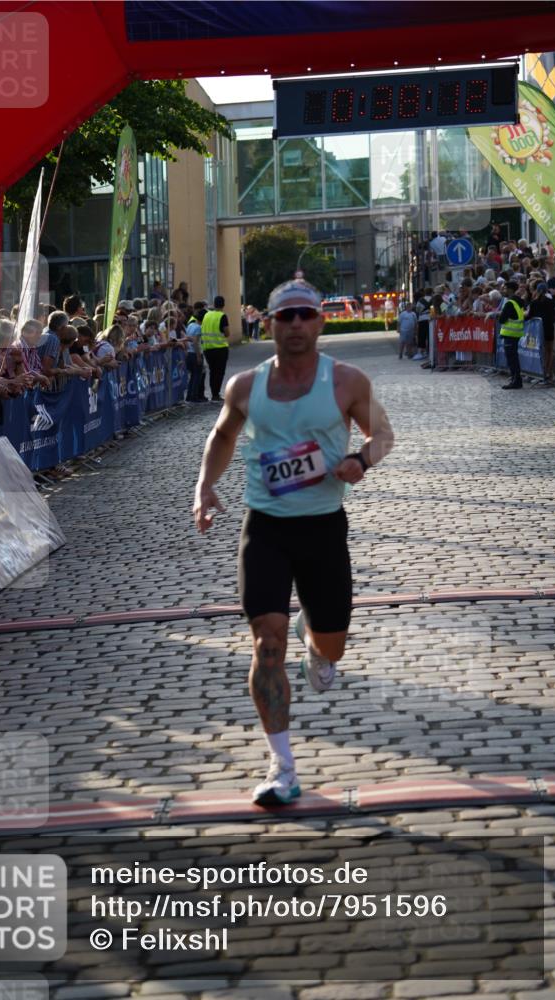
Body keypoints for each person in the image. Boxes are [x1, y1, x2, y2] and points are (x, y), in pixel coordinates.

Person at [193, 279, 394, 807]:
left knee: (330, 647)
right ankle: (282, 766)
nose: (297, 325)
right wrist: (205, 488)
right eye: (287, 317)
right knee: (265, 640)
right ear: (270, 324)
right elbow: (222, 437)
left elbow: (383, 435)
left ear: (320, 322)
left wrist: (361, 460)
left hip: (324, 527)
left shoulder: (346, 381)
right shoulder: (244, 385)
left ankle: (317, 643)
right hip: (265, 527)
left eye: (306, 315)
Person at [201, 294, 230, 401]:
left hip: (207, 348)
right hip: (220, 348)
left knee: (212, 371)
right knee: (219, 372)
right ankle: (215, 394)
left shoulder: (207, 315)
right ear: (223, 305)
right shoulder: (222, 316)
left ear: (214, 304)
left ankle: (214, 393)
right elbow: (227, 333)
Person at [498, 280, 525, 389]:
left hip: (510, 334)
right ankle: (516, 379)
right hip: (516, 333)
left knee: (511, 359)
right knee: (514, 358)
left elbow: (502, 319)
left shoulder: (509, 303)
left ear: (510, 289)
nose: (503, 290)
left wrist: (500, 315)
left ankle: (516, 381)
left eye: (504, 288)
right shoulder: (519, 301)